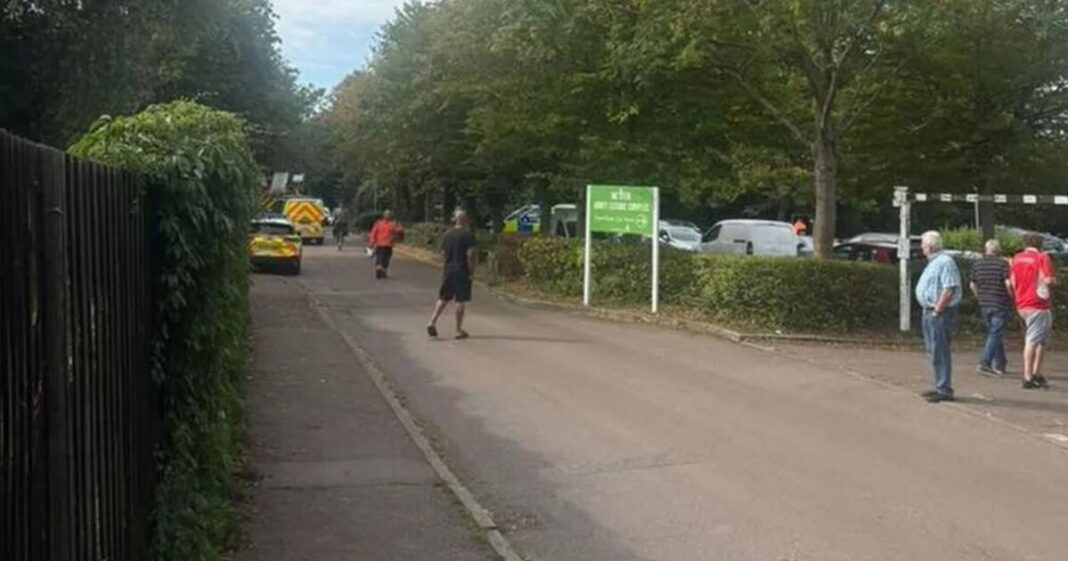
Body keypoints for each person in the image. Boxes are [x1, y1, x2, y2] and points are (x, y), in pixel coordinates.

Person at [915, 230, 962, 403]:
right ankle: (939, 385)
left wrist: (937, 310)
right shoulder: (935, 262)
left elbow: (949, 288)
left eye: (923, 245)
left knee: (939, 350)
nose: (922, 248)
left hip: (939, 313)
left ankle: (944, 388)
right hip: (930, 310)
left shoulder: (945, 262)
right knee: (933, 350)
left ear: (930, 246)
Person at [1009, 232, 1056, 389]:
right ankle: (1029, 376)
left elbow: (1011, 282)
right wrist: (1052, 283)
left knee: (1038, 338)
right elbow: (1048, 280)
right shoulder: (1042, 258)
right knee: (1034, 340)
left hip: (1022, 302)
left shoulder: (1016, 258)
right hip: (1038, 302)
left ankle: (1035, 373)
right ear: (1040, 244)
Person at [427, 210, 477, 340]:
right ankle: (458, 330)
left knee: (443, 297)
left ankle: (432, 321)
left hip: (448, 269)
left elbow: (443, 253)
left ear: (455, 220)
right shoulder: (468, 235)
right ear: (465, 220)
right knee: (460, 299)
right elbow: (470, 254)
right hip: (461, 269)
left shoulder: (447, 234)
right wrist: (471, 271)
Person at [969, 239, 1013, 377]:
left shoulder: (977, 264)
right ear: (998, 250)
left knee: (994, 333)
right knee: (995, 333)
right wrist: (1012, 296)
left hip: (984, 303)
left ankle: (1000, 363)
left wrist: (979, 296)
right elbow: (1008, 283)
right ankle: (985, 363)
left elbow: (972, 285)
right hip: (1000, 302)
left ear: (985, 249)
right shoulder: (1002, 264)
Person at [367, 210, 404, 279]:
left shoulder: (378, 224)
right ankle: (382, 270)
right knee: (385, 258)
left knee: (380, 257)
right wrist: (400, 227)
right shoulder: (392, 224)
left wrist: (371, 243)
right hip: (387, 245)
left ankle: (379, 268)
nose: (388, 216)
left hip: (380, 244)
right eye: (387, 214)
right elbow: (399, 231)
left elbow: (373, 233)